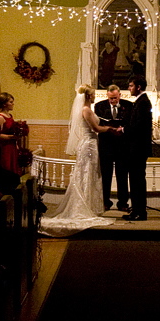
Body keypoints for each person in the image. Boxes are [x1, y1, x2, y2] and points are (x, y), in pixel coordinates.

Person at [40, 84, 118, 237]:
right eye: (94, 94)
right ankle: (84, 206)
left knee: (90, 173)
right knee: (87, 174)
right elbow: (95, 128)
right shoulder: (86, 110)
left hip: (91, 144)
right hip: (88, 145)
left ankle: (90, 205)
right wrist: (110, 129)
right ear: (88, 96)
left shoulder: (87, 109)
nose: (95, 96)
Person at [93, 84, 133, 211]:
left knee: (122, 176)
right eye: (110, 98)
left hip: (122, 146)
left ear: (120, 95)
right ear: (107, 96)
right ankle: (105, 202)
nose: (113, 101)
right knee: (105, 176)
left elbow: (130, 123)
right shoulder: (99, 106)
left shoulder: (129, 105)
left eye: (115, 98)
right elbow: (98, 124)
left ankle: (122, 203)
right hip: (106, 145)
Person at [123, 74, 152, 221]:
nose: (129, 88)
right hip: (137, 147)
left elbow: (138, 127)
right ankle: (137, 210)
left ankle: (140, 212)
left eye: (131, 86)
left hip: (138, 148)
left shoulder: (143, 103)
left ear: (138, 87)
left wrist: (123, 130)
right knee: (135, 180)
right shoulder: (141, 102)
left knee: (137, 181)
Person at [0, 92, 19, 174]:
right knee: (6, 167)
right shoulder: (0, 117)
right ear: (4, 104)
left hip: (12, 146)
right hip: (5, 147)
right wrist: (11, 137)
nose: (13, 104)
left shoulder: (10, 116)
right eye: (10, 102)